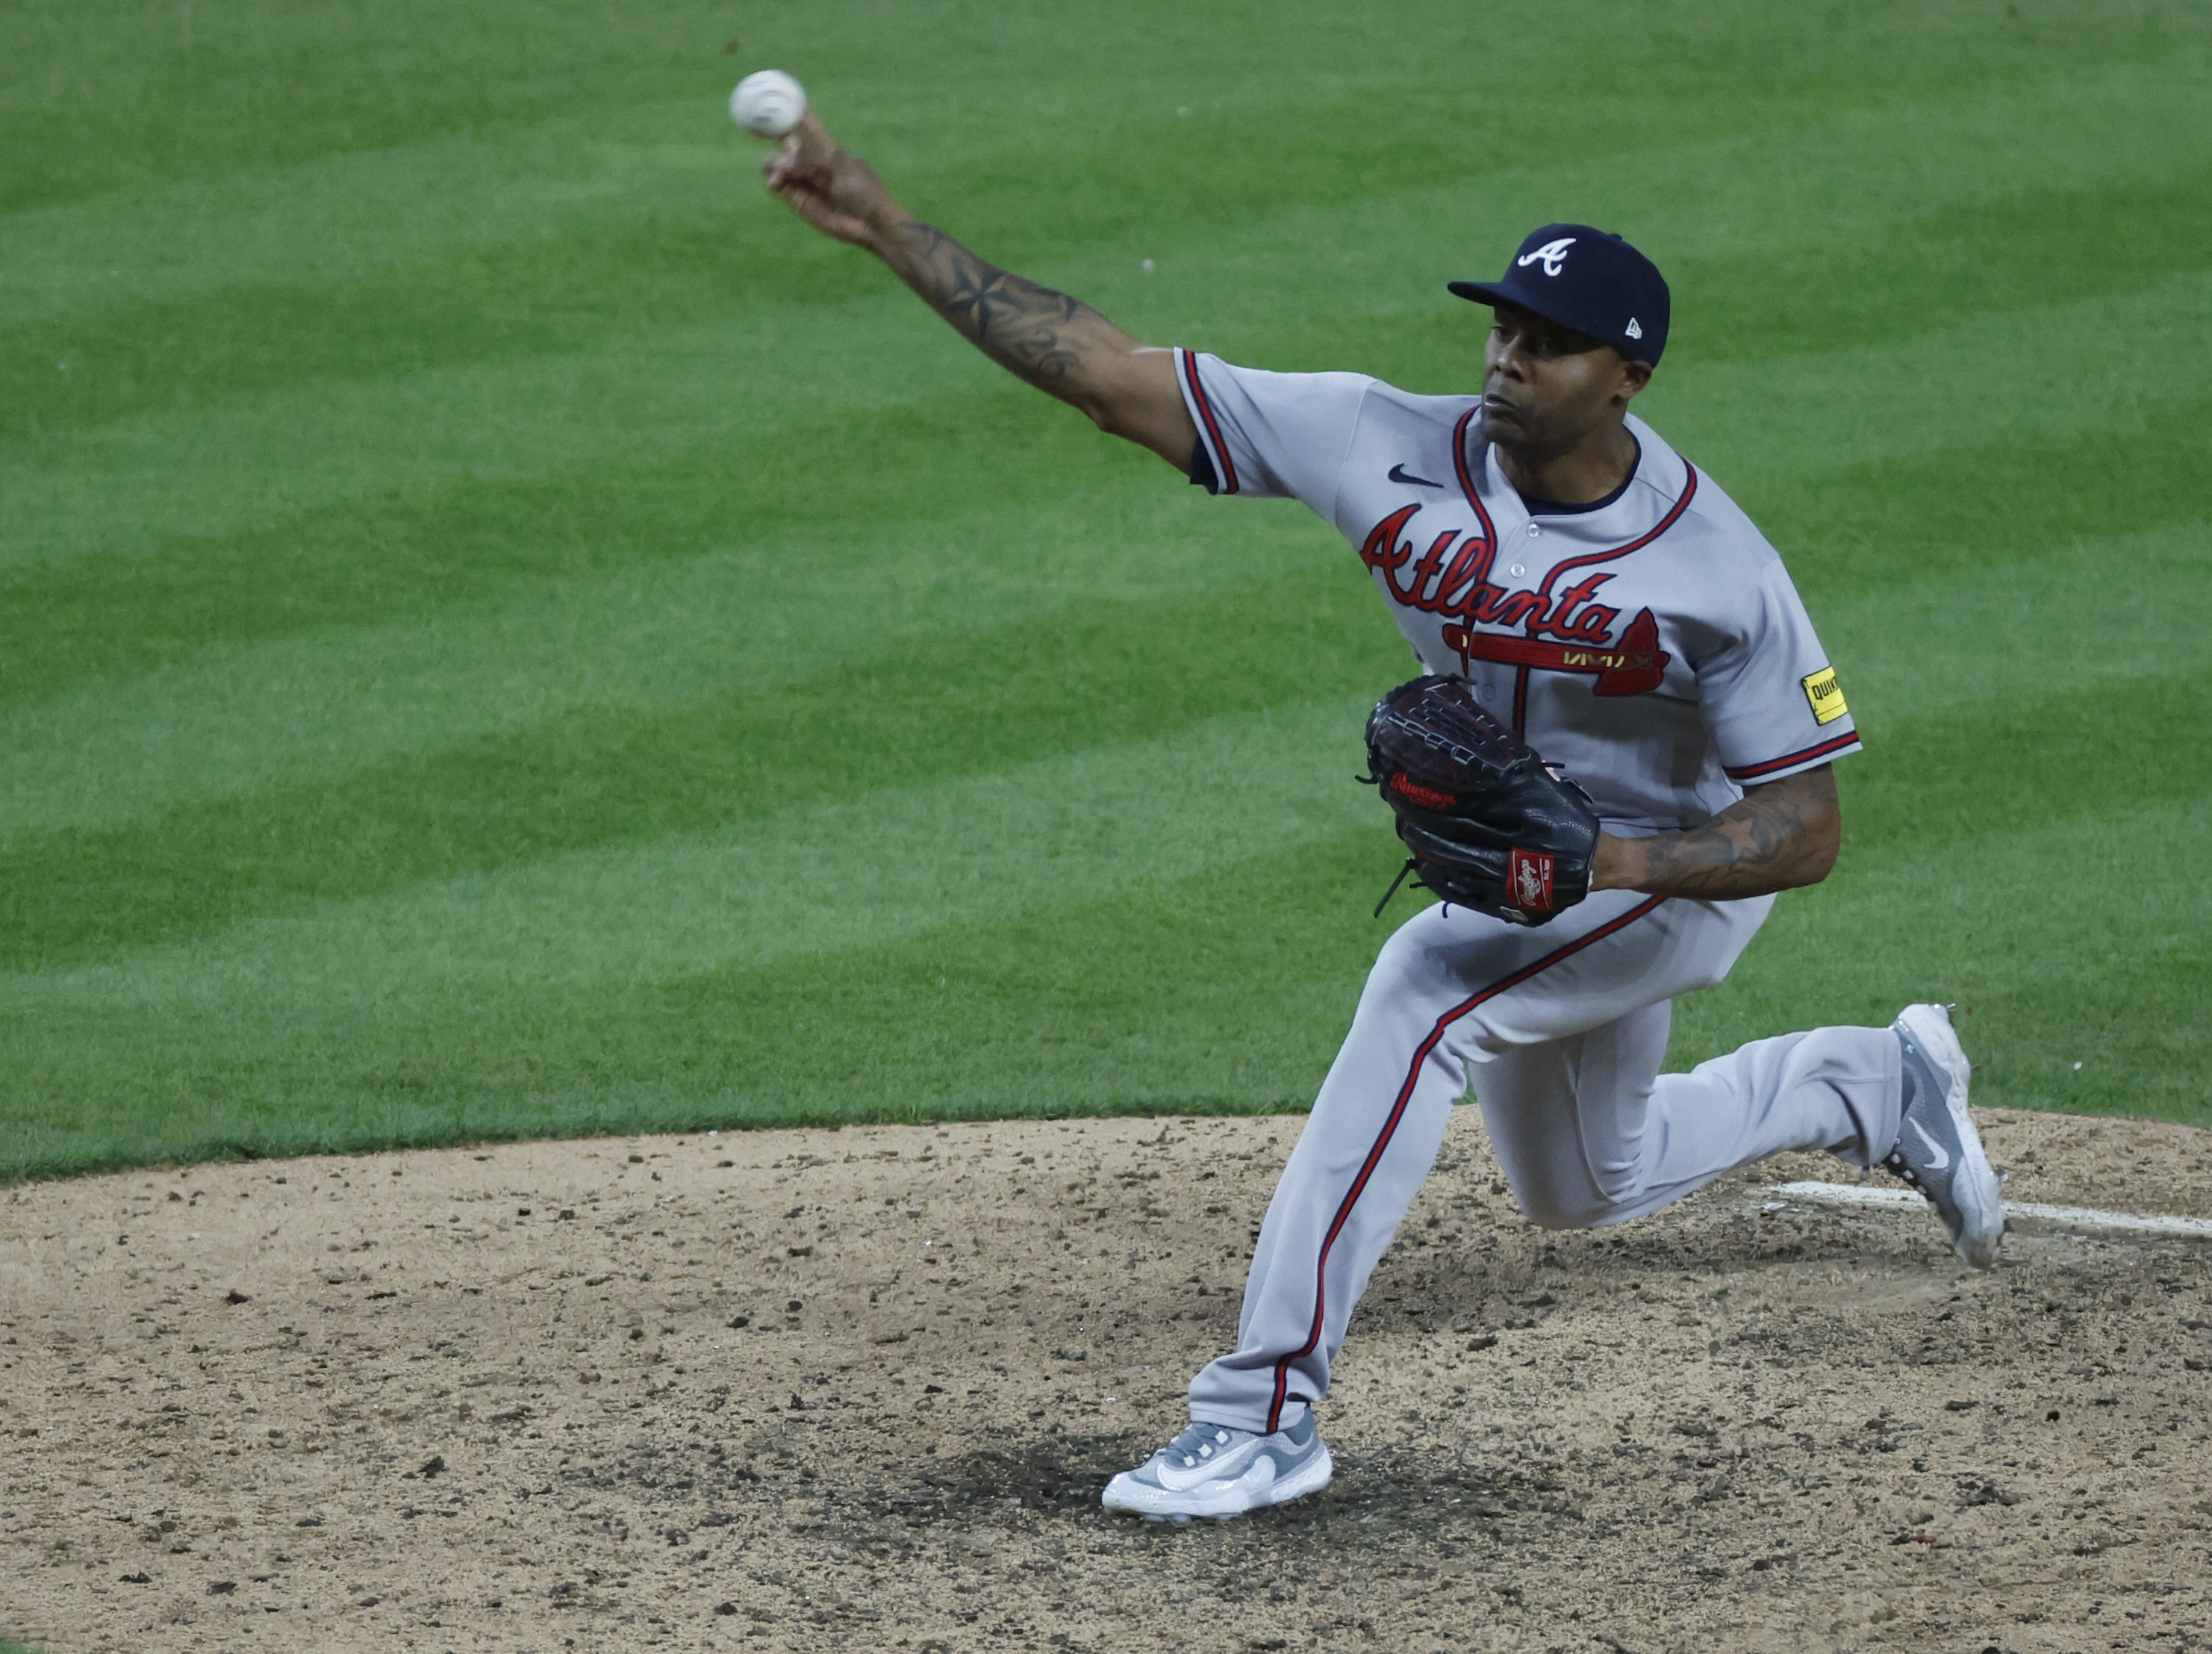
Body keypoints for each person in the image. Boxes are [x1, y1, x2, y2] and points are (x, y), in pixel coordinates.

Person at [761, 120, 2005, 1526]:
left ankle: (1262, 1416)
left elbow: (1805, 825)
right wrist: (884, 224)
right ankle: (1874, 1086)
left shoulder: (1717, 570)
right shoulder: (1381, 441)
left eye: (1549, 339)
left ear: (1629, 377)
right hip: (1533, 869)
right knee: (1584, 1185)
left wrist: (1610, 860)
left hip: (1673, 871)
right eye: (1502, 324)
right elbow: (1109, 378)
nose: (1507, 354)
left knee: (1422, 993)